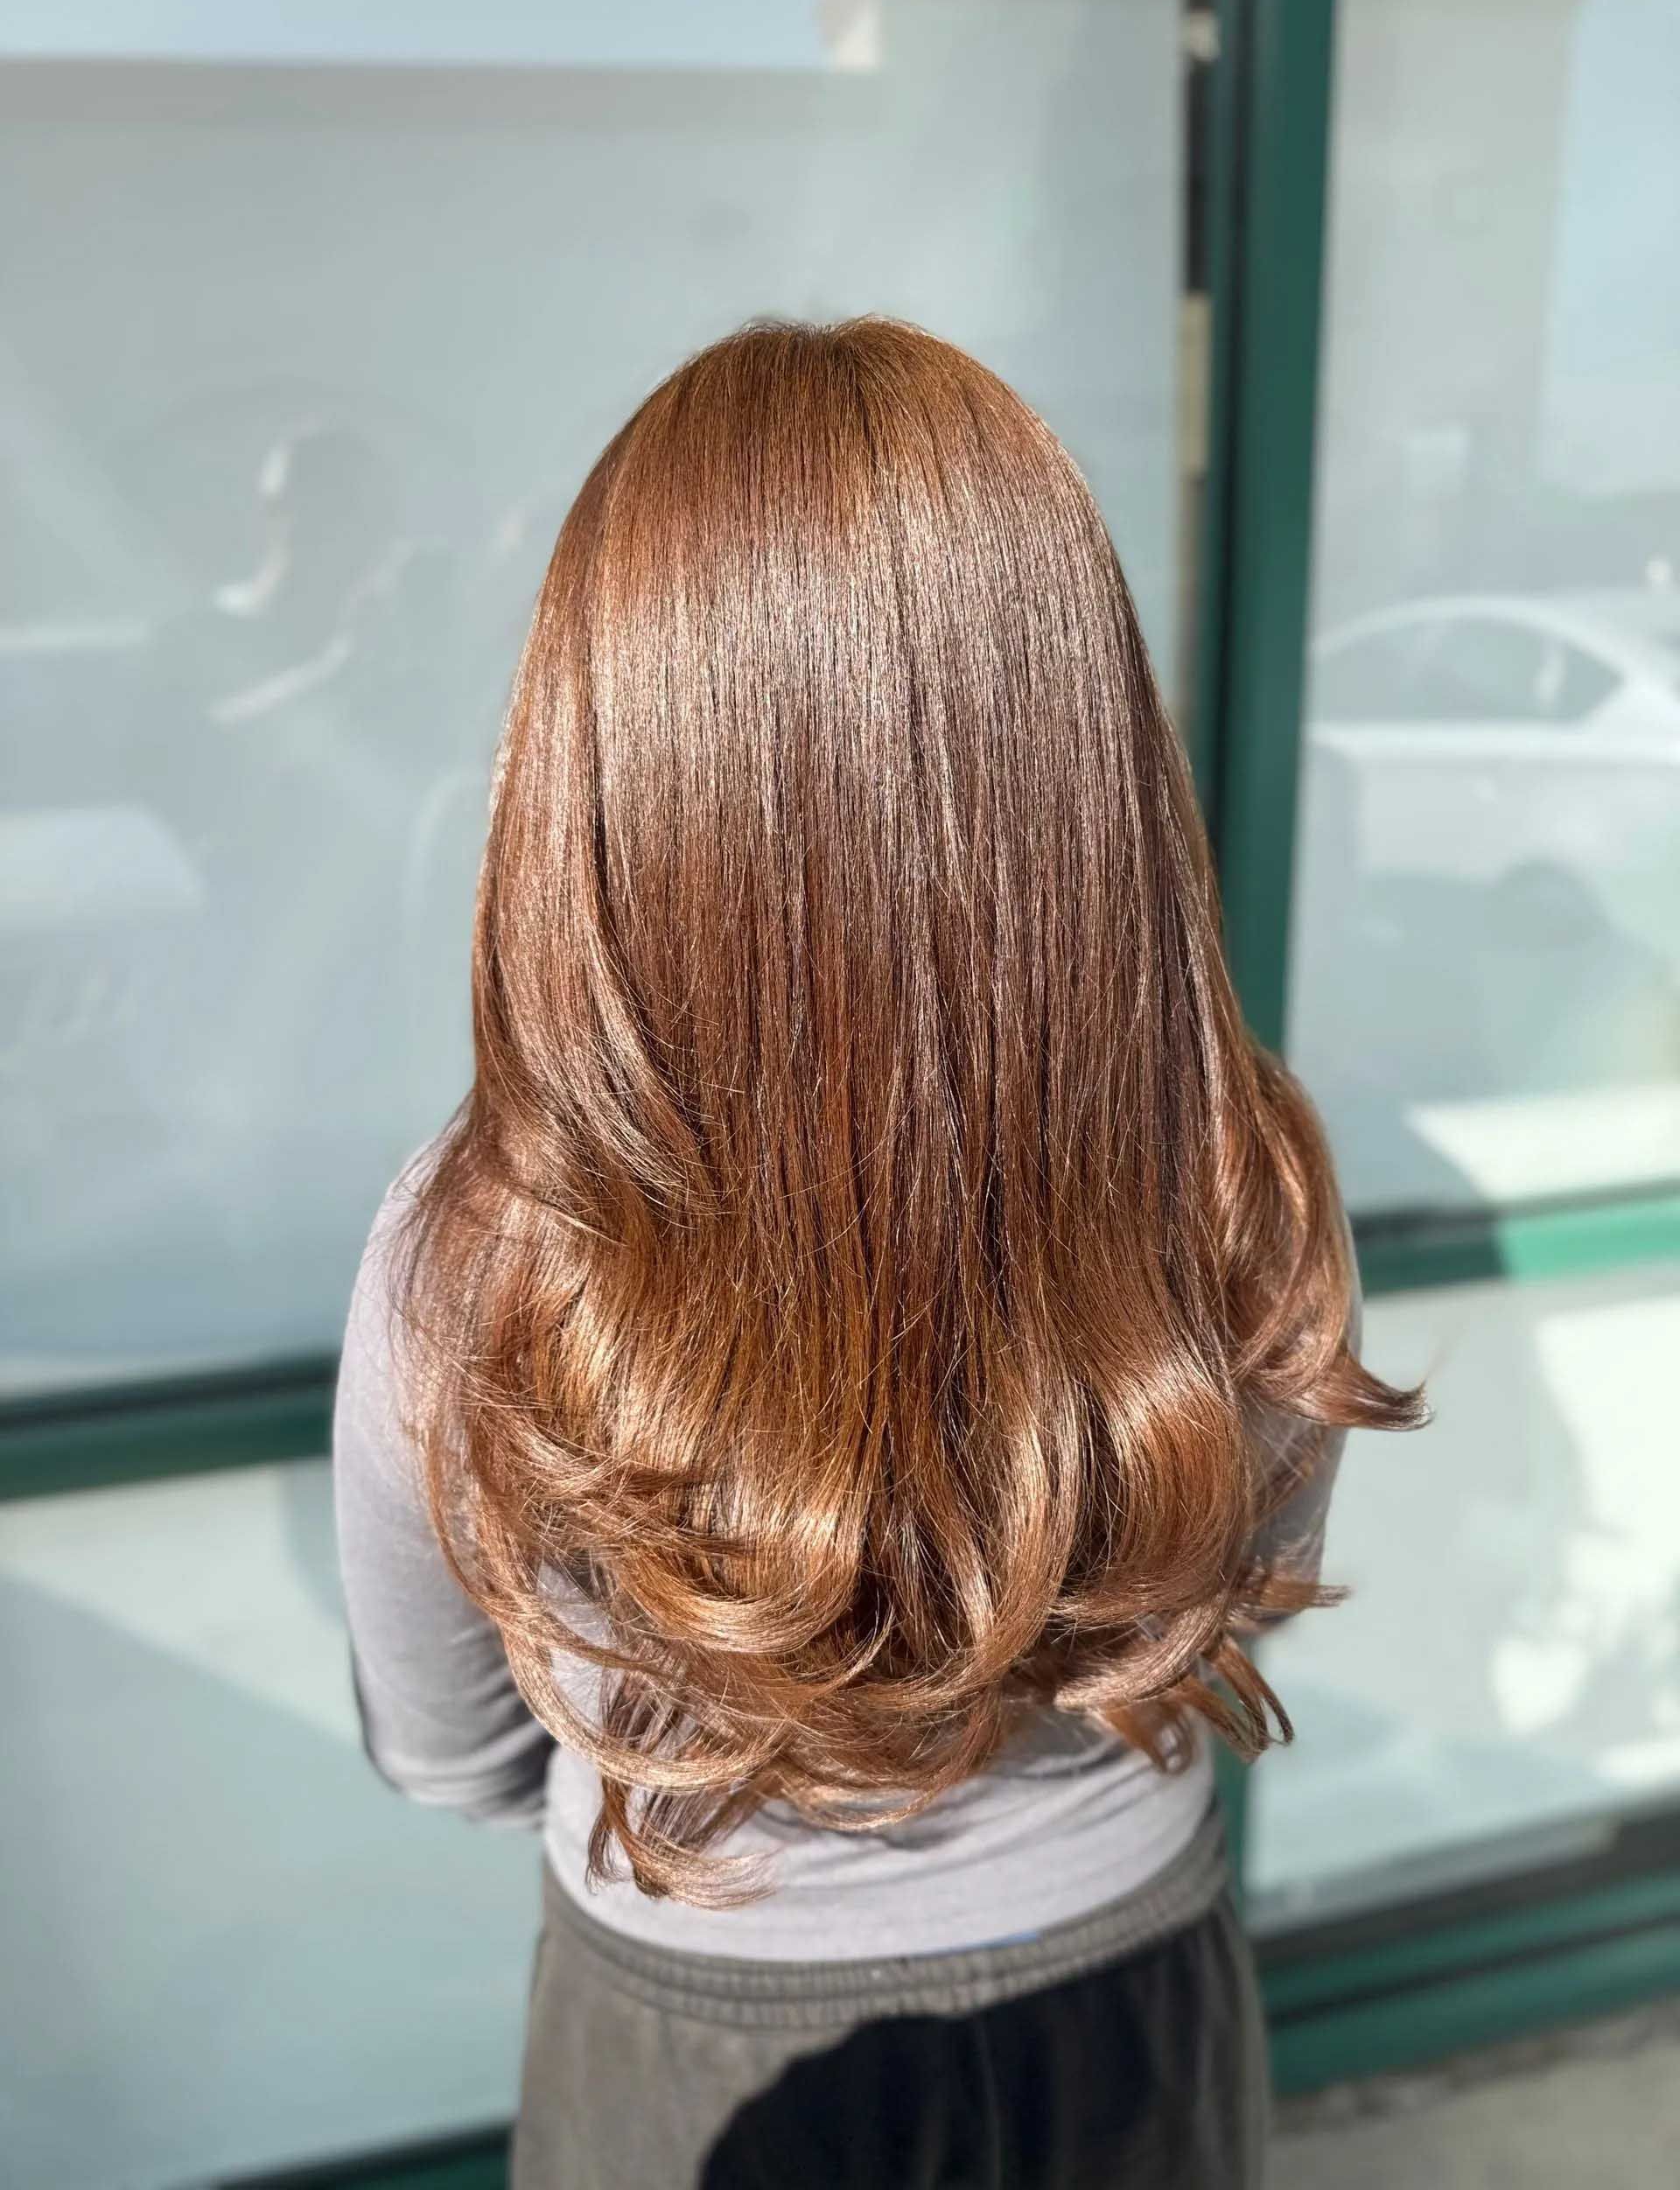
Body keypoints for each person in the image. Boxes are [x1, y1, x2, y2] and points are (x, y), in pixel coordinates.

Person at [332, 318, 1424, 2189]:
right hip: (1129, 2004)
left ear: (600, 762)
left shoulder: (483, 1242)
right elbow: (1228, 1588)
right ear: (1082, 743)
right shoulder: (1236, 1168)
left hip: (693, 2032)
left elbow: (449, 1745)